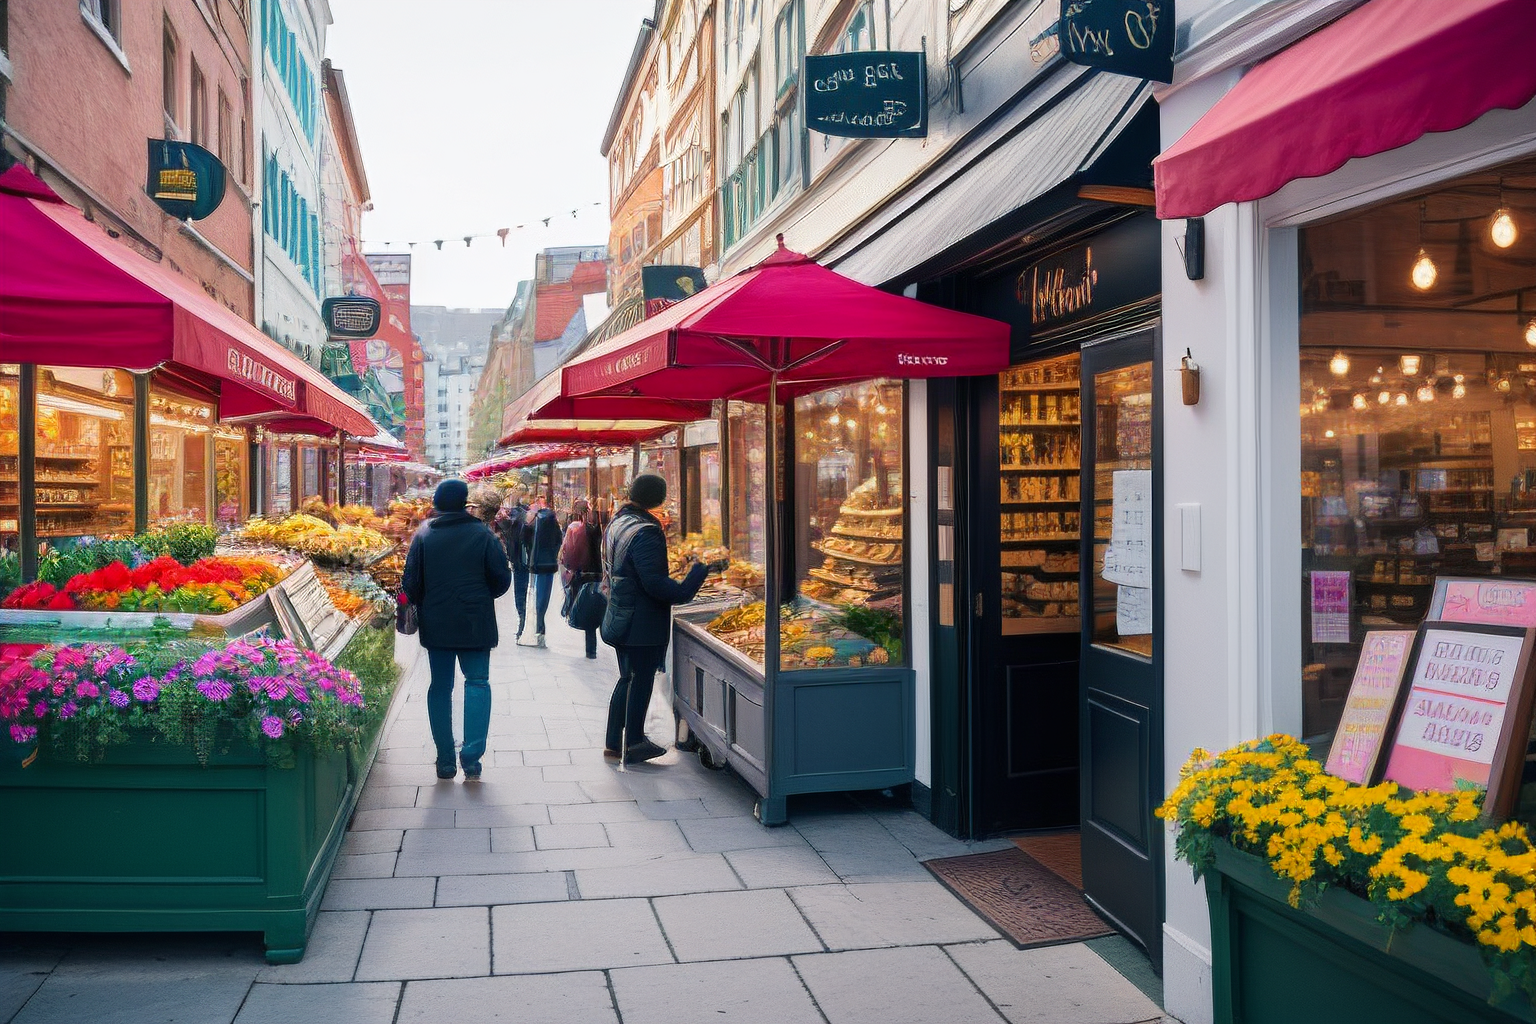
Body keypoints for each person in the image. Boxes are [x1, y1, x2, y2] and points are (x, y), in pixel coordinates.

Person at [403, 479, 512, 781]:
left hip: (436, 623)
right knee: (477, 682)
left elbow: (410, 584)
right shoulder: (484, 535)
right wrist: (478, 594)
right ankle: (472, 757)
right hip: (475, 621)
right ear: (465, 503)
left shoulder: (423, 535)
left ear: (437, 504)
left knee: (440, 686)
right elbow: (502, 580)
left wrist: (428, 600)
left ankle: (445, 760)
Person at [600, 473, 707, 764]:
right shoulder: (646, 530)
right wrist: (696, 575)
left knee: (627, 677)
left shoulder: (618, 522)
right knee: (641, 678)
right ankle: (633, 742)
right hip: (640, 621)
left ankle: (613, 742)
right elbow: (655, 583)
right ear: (657, 498)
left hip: (620, 612)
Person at [558, 498, 602, 659]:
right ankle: (593, 648)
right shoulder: (598, 530)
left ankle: (591, 649)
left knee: (590, 609)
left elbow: (569, 555)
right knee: (597, 608)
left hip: (584, 574)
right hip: (598, 573)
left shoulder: (575, 529)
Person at [519, 495, 562, 648]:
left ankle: (536, 629)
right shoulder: (551, 521)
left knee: (535, 598)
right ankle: (539, 629)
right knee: (542, 599)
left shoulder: (536, 521)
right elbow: (559, 539)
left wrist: (528, 522)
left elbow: (523, 539)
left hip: (536, 564)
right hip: (547, 565)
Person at [496, 485, 531, 639]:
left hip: (523, 560)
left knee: (521, 594)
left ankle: (524, 624)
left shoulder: (523, 514)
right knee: (520, 594)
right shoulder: (515, 514)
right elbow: (505, 530)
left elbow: (513, 528)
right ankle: (522, 623)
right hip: (518, 560)